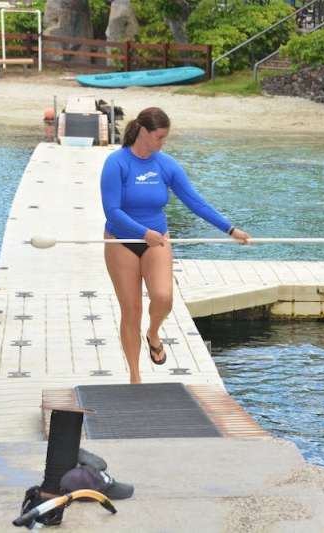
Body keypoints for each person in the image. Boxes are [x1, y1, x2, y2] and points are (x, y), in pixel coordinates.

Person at [100, 107, 249, 384]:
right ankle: (135, 377)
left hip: (157, 240)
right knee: (131, 310)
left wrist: (229, 229)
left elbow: (195, 202)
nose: (162, 143)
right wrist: (143, 233)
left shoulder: (165, 165)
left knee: (164, 297)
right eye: (159, 137)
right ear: (143, 132)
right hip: (122, 240)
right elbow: (112, 211)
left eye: (165, 138)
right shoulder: (116, 163)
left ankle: (153, 333)